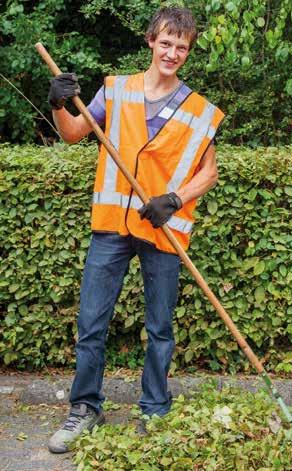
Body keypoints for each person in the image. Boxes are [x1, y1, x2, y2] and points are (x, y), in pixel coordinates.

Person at [47, 7, 224, 453]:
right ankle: (85, 409)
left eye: (181, 47)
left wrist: (175, 200)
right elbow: (71, 133)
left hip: (161, 230)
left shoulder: (198, 110)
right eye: (166, 43)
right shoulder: (116, 91)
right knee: (91, 322)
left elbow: (209, 173)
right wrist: (56, 103)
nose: (172, 53)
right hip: (111, 228)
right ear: (150, 41)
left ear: (187, 52)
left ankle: (154, 410)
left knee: (160, 326)